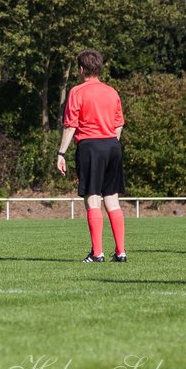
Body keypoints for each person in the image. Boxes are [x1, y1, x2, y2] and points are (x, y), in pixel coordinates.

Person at [56, 50, 127, 263]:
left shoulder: (77, 91)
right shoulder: (111, 91)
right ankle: (121, 252)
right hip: (113, 145)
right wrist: (110, 142)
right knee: (112, 199)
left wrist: (61, 153)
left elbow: (70, 126)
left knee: (93, 198)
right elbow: (119, 123)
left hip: (90, 146)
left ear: (81, 69)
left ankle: (97, 253)